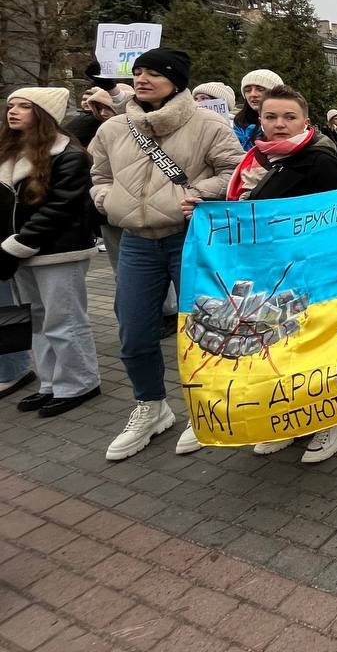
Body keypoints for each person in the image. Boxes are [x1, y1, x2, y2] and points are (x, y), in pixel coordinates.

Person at [178, 85, 337, 460]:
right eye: (271, 116)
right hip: (268, 274)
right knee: (280, 349)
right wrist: (208, 211)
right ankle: (290, 421)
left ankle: (333, 421)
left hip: (308, 274)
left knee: (314, 349)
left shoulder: (319, 159)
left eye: (289, 117)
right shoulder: (256, 159)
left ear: (305, 121)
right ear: (260, 120)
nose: (279, 124)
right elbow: (249, 208)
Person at [89, 48, 242, 460]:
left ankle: (206, 408)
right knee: (134, 332)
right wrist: (108, 199)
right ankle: (151, 406)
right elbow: (99, 175)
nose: (142, 79)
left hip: (188, 240)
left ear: (176, 81)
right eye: (138, 71)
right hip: (136, 242)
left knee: (204, 330)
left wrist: (199, 193)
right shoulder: (114, 128)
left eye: (154, 73)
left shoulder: (208, 124)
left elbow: (236, 172)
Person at [0, 87, 101, 416]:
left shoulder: (69, 154)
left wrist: (17, 245)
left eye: (24, 106)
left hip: (58, 251)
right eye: (11, 105)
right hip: (19, 252)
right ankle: (50, 383)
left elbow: (60, 207)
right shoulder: (10, 151)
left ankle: (80, 383)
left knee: (64, 320)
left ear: (44, 114)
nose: (13, 111)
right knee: (37, 321)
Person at [234, 69, 283, 150]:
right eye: (248, 90)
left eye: (260, 89)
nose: (253, 94)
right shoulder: (238, 122)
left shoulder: (284, 124)